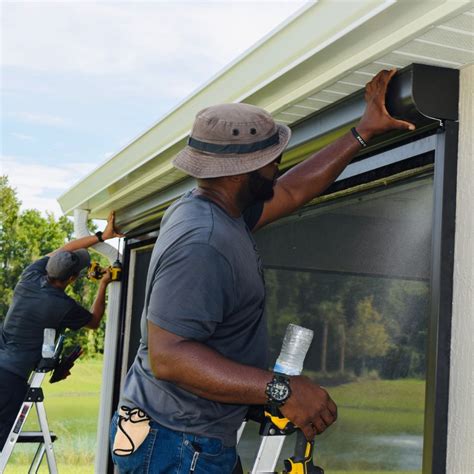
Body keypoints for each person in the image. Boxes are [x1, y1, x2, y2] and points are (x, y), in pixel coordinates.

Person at [111, 69, 415, 473]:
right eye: (272, 159)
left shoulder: (216, 208)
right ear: (242, 171)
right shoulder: (202, 242)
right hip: (177, 445)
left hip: (185, 437)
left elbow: (291, 191)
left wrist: (362, 132)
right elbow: (170, 357)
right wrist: (279, 389)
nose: (278, 164)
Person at [0, 212, 123, 451]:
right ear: (73, 278)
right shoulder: (63, 306)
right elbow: (95, 321)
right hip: (10, 379)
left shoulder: (30, 276)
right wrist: (103, 285)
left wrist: (101, 235)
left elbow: (67, 247)